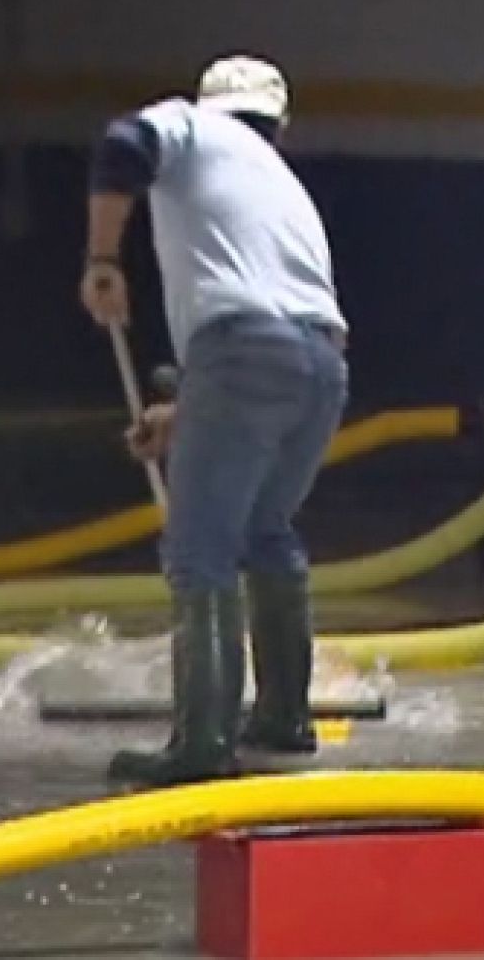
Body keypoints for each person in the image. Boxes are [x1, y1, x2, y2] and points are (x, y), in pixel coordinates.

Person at [79, 54, 350, 788]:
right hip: (322, 366)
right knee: (267, 531)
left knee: (200, 547)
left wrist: (103, 259)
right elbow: (281, 334)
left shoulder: (191, 128)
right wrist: (187, 413)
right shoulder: (281, 182)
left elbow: (121, 146)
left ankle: (200, 743)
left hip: (243, 354)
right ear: (279, 127)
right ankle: (286, 718)